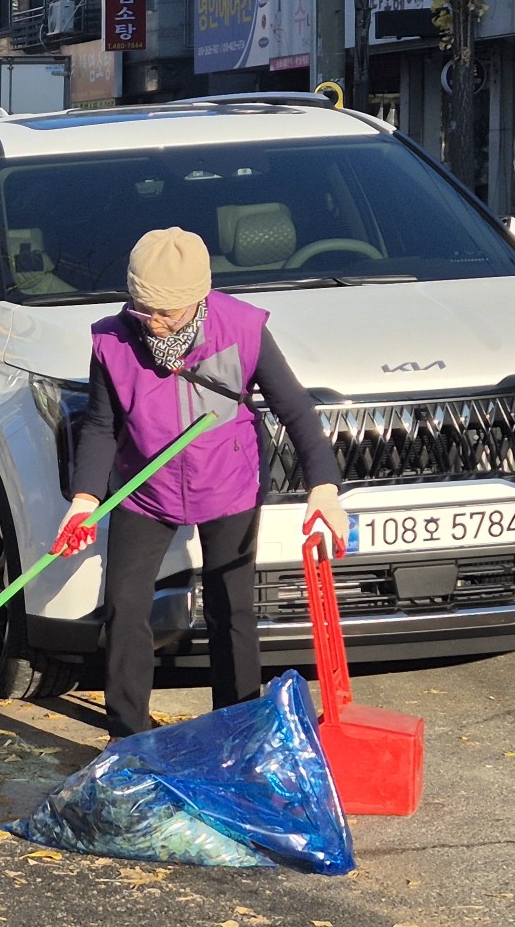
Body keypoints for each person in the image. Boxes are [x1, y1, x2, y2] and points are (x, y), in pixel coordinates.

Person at [54, 227, 348, 735]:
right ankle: (129, 737)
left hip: (228, 483)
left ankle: (238, 728)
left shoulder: (243, 329)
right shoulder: (113, 339)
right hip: (144, 490)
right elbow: (102, 426)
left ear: (198, 299)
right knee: (124, 608)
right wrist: (84, 499)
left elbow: (296, 411)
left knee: (230, 608)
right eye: (143, 310)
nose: (154, 324)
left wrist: (323, 488)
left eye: (166, 314)